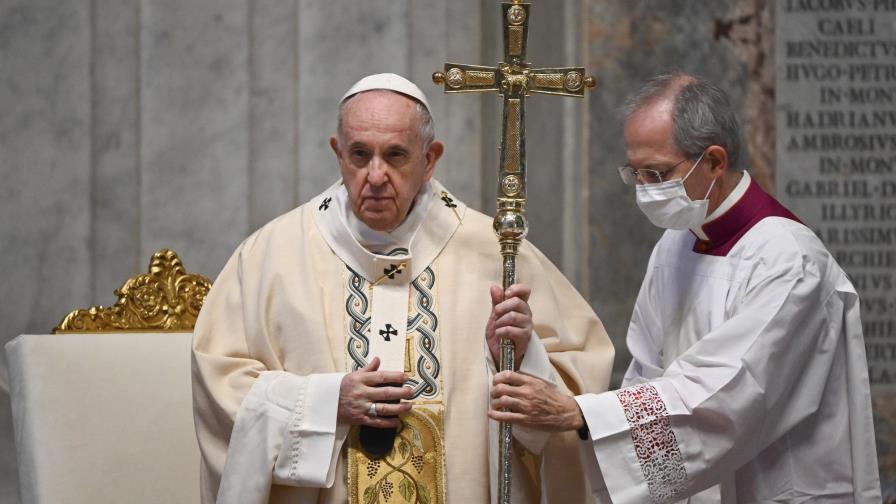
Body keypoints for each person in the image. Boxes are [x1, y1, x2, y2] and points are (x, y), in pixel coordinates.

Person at [191, 73, 615, 504]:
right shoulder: (270, 256)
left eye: (395, 155)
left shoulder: (496, 255)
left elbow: (577, 394)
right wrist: (324, 403)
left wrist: (518, 356)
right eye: (359, 154)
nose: (375, 175)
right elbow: (220, 387)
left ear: (430, 159)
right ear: (338, 153)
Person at [489, 72, 882, 503]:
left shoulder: (789, 260)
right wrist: (535, 362)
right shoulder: (678, 241)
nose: (644, 191)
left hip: (778, 486)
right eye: (634, 173)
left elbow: (730, 397)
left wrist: (582, 414)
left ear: (714, 161)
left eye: (656, 174)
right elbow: (647, 373)